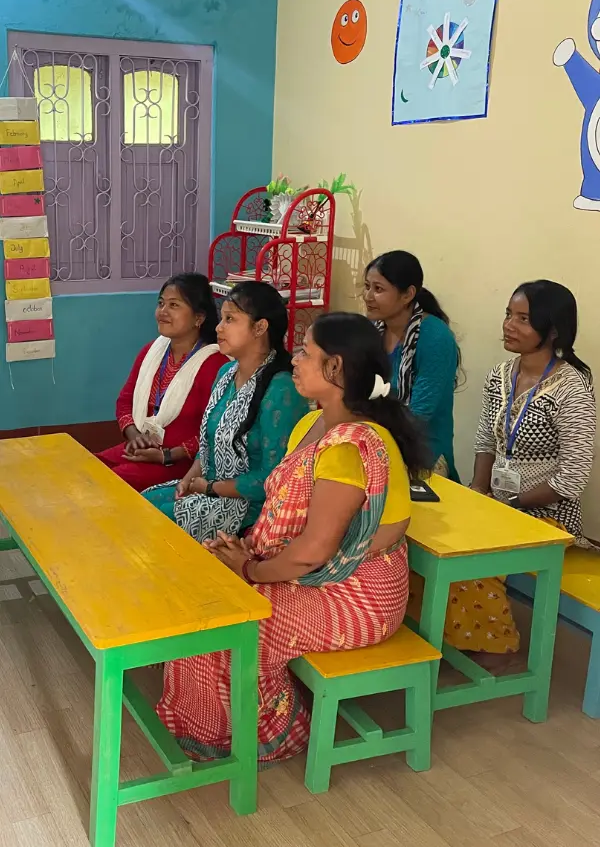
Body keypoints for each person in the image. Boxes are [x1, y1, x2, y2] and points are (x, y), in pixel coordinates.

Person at [155, 312, 431, 763]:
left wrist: (250, 569)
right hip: (306, 573)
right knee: (204, 589)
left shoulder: (349, 447)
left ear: (335, 368)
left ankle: (274, 733)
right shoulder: (310, 425)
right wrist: (247, 551)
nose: (295, 360)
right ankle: (209, 725)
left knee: (226, 618)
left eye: (306, 352)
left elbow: (314, 552)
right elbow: (288, 516)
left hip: (353, 595)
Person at [449, 280, 596, 665]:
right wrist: (478, 491)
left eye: (523, 319)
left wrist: (510, 505)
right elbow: (486, 439)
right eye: (508, 315)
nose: (508, 325)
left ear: (553, 330)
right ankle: (444, 632)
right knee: (438, 535)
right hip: (499, 506)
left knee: (472, 555)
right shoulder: (500, 374)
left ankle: (493, 646)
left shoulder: (571, 387)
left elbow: (572, 477)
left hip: (547, 517)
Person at [143, 280, 308, 542]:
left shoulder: (282, 389)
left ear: (260, 327)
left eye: (230, 319)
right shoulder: (226, 373)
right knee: (140, 504)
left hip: (249, 507)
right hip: (209, 489)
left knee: (156, 522)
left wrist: (211, 487)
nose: (219, 327)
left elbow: (272, 477)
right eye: (222, 319)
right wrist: (187, 481)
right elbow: (209, 445)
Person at [96, 273, 226, 492]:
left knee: (106, 483)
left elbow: (214, 432)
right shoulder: (151, 352)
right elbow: (125, 401)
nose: (163, 311)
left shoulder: (215, 364)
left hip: (182, 463)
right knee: (85, 466)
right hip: (142, 449)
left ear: (198, 318)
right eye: (161, 303)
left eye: (174, 305)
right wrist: (135, 437)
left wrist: (167, 455)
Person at [364, 250, 460, 480]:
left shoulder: (435, 337)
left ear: (407, 294)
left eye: (378, 289)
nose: (368, 296)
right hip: (375, 443)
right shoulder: (372, 330)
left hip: (423, 456)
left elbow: (418, 414)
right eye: (367, 286)